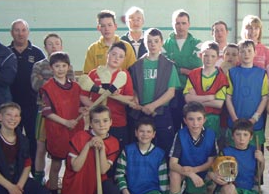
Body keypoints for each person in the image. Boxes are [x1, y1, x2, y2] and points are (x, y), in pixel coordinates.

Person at [40, 52, 85, 194]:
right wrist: (65, 122)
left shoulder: (75, 86)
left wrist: (83, 109)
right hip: (57, 131)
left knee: (72, 164)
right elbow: (47, 111)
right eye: (57, 66)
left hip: (75, 131)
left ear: (69, 67)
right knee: (56, 164)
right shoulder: (46, 88)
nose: (60, 69)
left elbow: (77, 105)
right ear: (51, 68)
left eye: (63, 66)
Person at [61, 105, 120, 194]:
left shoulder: (113, 142)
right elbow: (76, 167)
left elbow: (104, 170)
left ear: (111, 122)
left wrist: (102, 148)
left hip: (97, 184)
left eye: (105, 121)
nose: (101, 125)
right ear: (91, 123)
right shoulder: (80, 136)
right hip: (78, 186)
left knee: (112, 190)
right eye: (96, 121)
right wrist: (88, 145)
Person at [30, 33, 75, 185]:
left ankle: (63, 182)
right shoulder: (38, 65)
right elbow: (36, 85)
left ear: (61, 45)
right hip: (43, 113)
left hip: (65, 113)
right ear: (45, 47)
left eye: (57, 43)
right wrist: (55, 84)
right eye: (50, 44)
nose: (54, 46)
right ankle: (38, 178)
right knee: (41, 146)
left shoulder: (68, 64)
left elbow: (71, 86)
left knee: (65, 147)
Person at [129, 28, 180, 156]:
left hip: (161, 112)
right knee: (141, 148)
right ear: (144, 43)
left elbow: (171, 92)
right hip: (141, 112)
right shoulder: (136, 66)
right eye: (149, 41)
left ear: (161, 43)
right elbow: (133, 89)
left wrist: (153, 106)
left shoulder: (169, 66)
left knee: (164, 147)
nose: (152, 44)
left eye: (156, 41)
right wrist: (136, 99)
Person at [169, 101, 216, 194]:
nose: (195, 123)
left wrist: (195, 171)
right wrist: (190, 174)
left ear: (204, 119)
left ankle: (189, 193)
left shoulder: (211, 135)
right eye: (191, 119)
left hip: (200, 172)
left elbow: (210, 162)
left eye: (199, 119)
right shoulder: (180, 134)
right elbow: (172, 164)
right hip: (185, 171)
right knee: (174, 175)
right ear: (184, 120)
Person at [209, 119, 264, 194]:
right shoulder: (225, 152)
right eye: (238, 134)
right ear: (232, 136)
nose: (241, 138)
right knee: (229, 188)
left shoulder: (255, 152)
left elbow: (258, 177)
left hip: (248, 193)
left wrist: (262, 161)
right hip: (231, 191)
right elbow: (211, 172)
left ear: (251, 137)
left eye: (245, 135)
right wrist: (214, 176)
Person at [115, 117, 168, 194]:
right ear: (136, 133)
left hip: (151, 192)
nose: (145, 134)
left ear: (153, 134)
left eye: (148, 131)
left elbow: (163, 180)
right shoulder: (127, 150)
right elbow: (119, 174)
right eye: (141, 131)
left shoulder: (159, 154)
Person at [81, 42, 134, 149]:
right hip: (96, 122)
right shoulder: (94, 73)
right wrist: (96, 109)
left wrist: (117, 96)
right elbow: (83, 96)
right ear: (107, 54)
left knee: (116, 154)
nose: (116, 58)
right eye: (114, 54)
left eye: (121, 56)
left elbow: (130, 98)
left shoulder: (124, 75)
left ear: (123, 60)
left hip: (117, 122)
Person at [8, 19, 46, 170]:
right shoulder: (5, 52)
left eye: (23, 30)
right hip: (11, 104)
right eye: (17, 30)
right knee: (12, 138)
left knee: (33, 139)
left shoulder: (37, 53)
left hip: (32, 104)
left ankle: (34, 172)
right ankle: (14, 170)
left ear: (28, 32)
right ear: (12, 33)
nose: (20, 33)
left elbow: (45, 76)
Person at [163, 9, 202, 131]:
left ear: (189, 24)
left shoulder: (197, 44)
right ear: (172, 24)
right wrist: (183, 70)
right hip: (171, 91)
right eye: (177, 23)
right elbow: (165, 67)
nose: (180, 26)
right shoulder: (164, 44)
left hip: (190, 91)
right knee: (173, 127)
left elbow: (197, 63)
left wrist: (175, 65)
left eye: (184, 23)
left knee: (191, 127)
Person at [226, 40, 269, 149]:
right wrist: (235, 118)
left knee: (256, 157)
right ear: (238, 54)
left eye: (249, 51)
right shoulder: (231, 73)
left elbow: (264, 98)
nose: (246, 54)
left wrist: (255, 118)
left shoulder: (262, 73)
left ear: (255, 53)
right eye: (242, 51)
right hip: (235, 123)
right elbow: (228, 97)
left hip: (255, 124)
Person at [184, 42, 228, 138]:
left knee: (211, 145)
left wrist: (197, 99)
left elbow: (218, 104)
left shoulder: (221, 77)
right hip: (195, 119)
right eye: (206, 55)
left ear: (217, 58)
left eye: (213, 56)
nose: (209, 59)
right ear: (200, 55)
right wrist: (209, 97)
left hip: (213, 119)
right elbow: (188, 99)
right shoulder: (193, 74)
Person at [241, 15, 269, 83]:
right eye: (250, 28)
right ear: (244, 30)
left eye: (256, 28)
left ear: (260, 31)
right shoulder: (237, 50)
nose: (253, 31)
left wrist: (261, 88)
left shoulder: (266, 51)